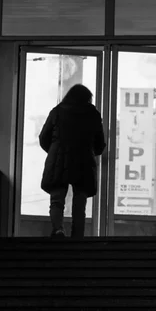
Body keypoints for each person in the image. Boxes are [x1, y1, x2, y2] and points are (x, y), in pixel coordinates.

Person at [39, 84, 106, 238]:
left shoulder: (57, 111)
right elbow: (100, 143)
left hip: (58, 158)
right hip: (83, 160)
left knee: (57, 199)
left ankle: (58, 229)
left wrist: (55, 151)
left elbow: (43, 137)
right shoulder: (92, 114)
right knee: (79, 202)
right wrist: (90, 151)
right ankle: (78, 236)